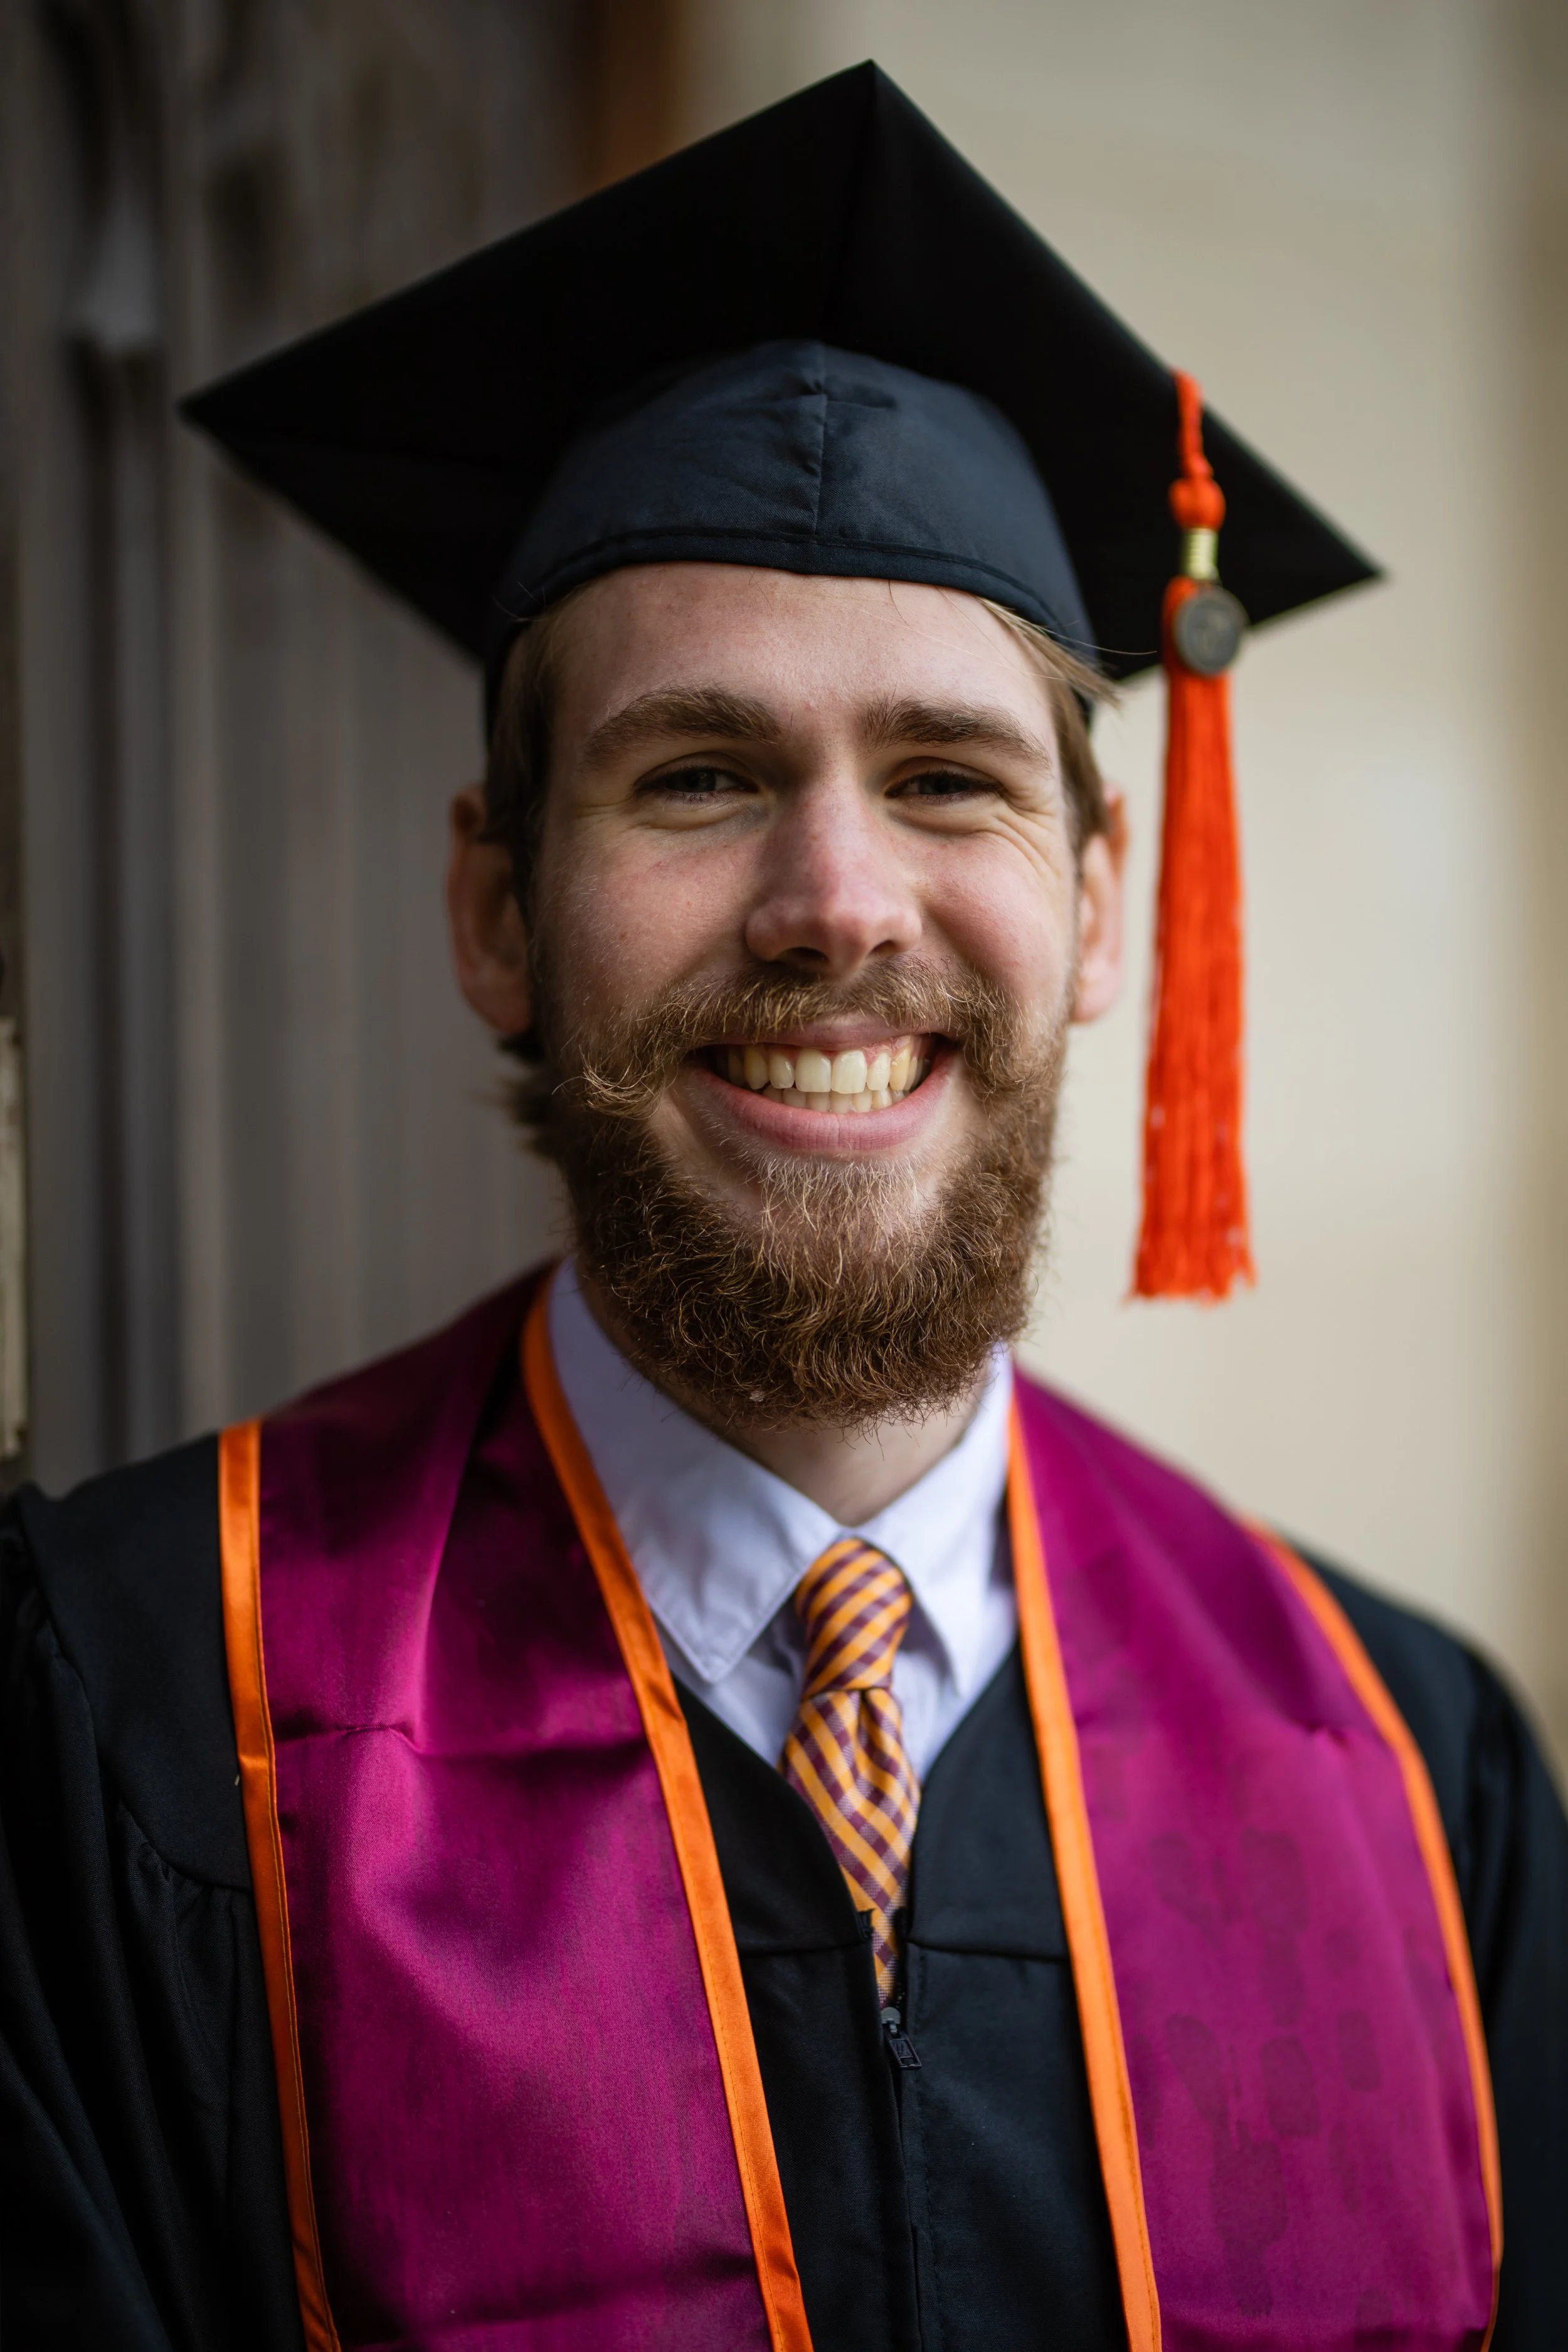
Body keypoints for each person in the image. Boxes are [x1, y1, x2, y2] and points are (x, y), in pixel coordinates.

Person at [2, 63, 1562, 2352]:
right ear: (496, 907)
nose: (838, 904)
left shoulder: (1410, 1773)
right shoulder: (135, 1713)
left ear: (1100, 904)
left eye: (946, 778)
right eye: (702, 775)